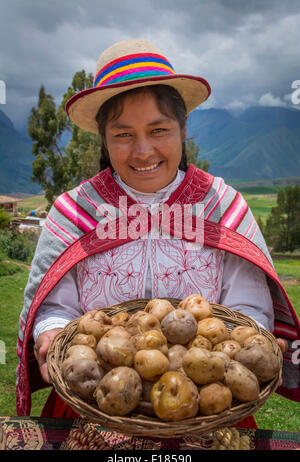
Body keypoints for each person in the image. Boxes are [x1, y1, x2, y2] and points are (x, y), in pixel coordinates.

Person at [16, 39, 299, 427]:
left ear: (184, 129)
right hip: (97, 407)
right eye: (123, 134)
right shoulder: (75, 211)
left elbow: (249, 310)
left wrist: (246, 346)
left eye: (159, 129)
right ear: (104, 138)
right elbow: (55, 308)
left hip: (207, 408)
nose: (143, 151)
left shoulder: (221, 205)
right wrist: (50, 334)